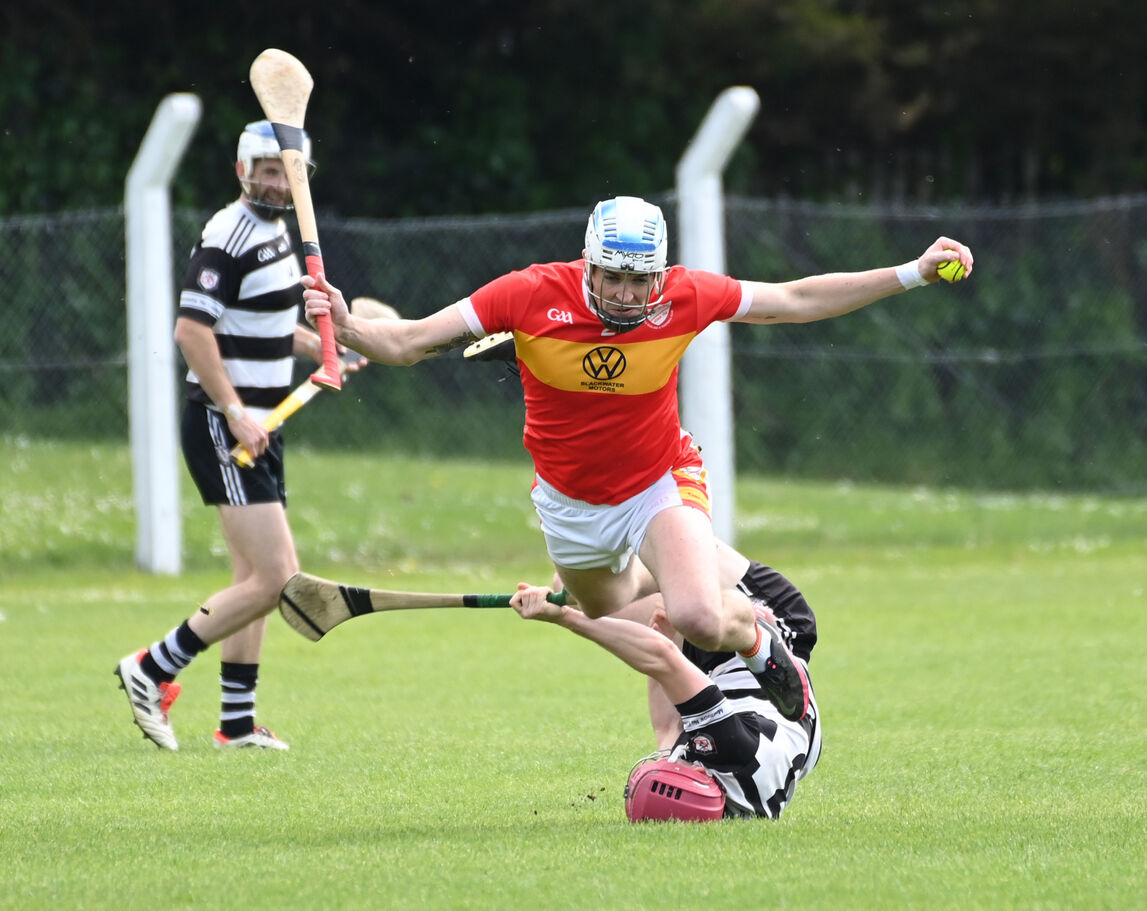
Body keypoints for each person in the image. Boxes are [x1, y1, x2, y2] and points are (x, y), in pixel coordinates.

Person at [302, 194, 973, 722]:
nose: (626, 292)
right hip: (569, 504)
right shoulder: (529, 294)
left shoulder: (684, 296)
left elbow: (792, 299)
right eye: (614, 277)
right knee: (606, 603)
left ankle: (767, 646)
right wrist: (350, 323)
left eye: (639, 279)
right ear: (588, 265)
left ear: (659, 273)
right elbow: (412, 343)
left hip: (658, 481)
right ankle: (682, 582)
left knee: (700, 617)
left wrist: (911, 273)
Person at [115, 120, 363, 751]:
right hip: (226, 425)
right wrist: (232, 410)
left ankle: (235, 724)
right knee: (279, 578)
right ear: (241, 170)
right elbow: (192, 332)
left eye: (289, 171)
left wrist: (319, 346)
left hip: (263, 421)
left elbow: (266, 320)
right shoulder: (229, 235)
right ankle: (151, 669)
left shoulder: (281, 234)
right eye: (268, 170)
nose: (278, 183)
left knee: (251, 575)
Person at [509, 555, 822, 821]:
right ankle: (757, 644)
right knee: (696, 605)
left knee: (575, 590)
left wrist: (667, 634)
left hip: (709, 668)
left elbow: (668, 720)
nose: (668, 763)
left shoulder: (714, 791)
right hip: (770, 619)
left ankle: (669, 563)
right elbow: (662, 659)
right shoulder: (728, 752)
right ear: (695, 778)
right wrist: (562, 617)